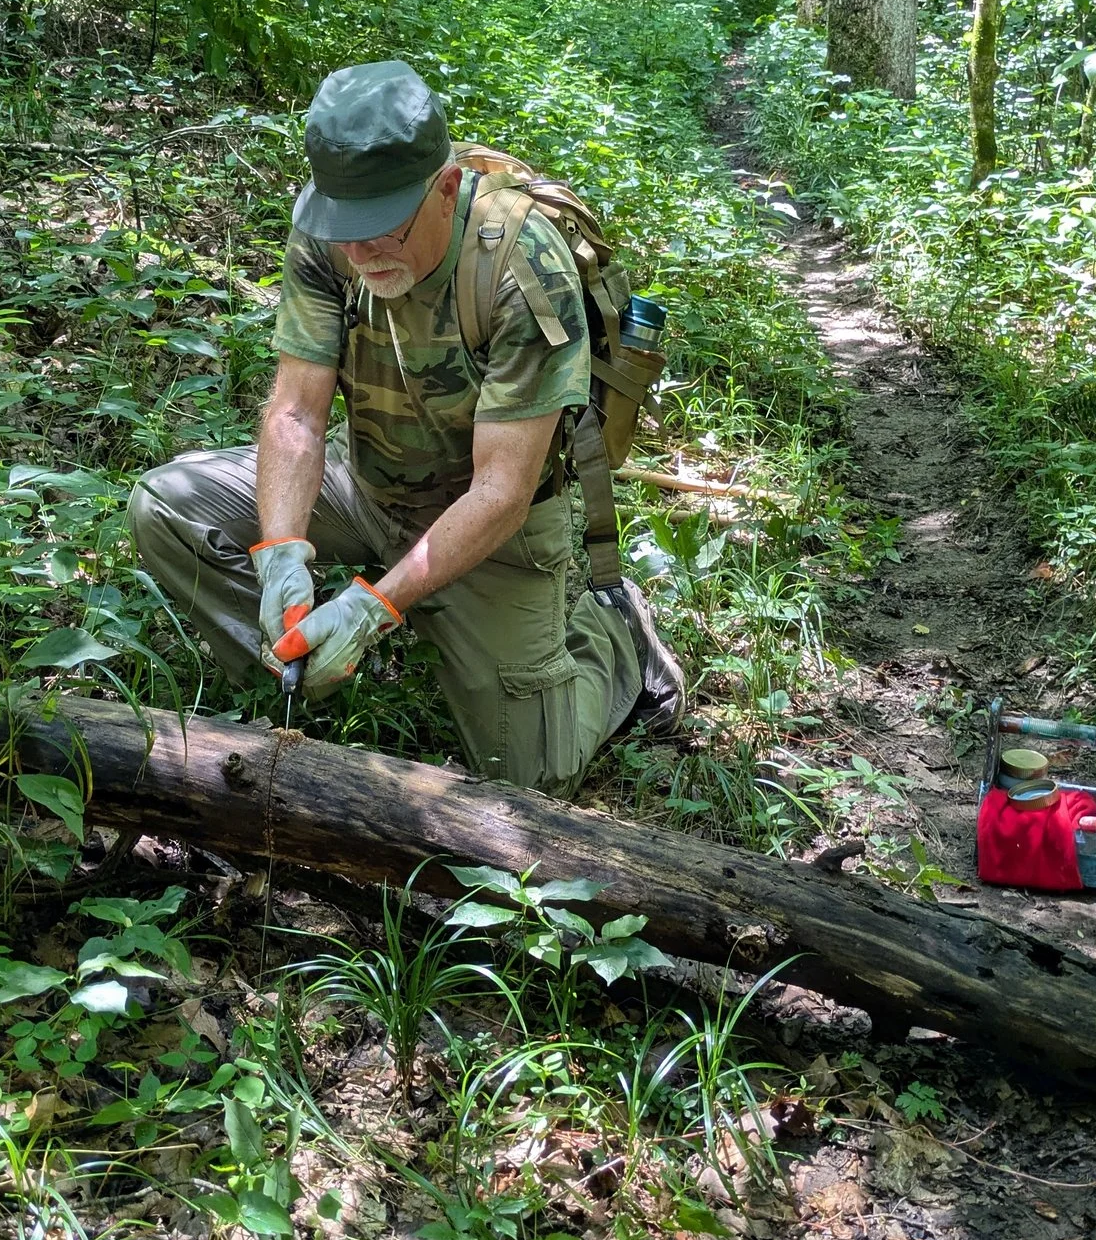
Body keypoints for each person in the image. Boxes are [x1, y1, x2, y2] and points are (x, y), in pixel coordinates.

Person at [129, 60, 684, 796]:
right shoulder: (329, 233)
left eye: (380, 229)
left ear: (445, 189)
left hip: (492, 531)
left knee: (532, 775)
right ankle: (295, 672)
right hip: (367, 486)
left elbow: (502, 490)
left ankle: (617, 632)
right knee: (164, 505)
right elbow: (297, 409)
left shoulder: (520, 267)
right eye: (344, 230)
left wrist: (375, 606)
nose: (359, 254)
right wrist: (282, 552)